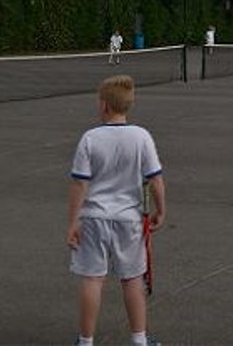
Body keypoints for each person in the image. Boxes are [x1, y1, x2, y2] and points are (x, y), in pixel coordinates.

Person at [67, 75, 166, 346]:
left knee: (92, 279)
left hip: (94, 218)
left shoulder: (89, 138)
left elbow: (79, 184)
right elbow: (155, 179)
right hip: (129, 220)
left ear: (104, 106)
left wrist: (72, 222)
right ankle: (139, 340)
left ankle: (85, 342)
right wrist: (161, 210)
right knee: (132, 279)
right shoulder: (141, 136)